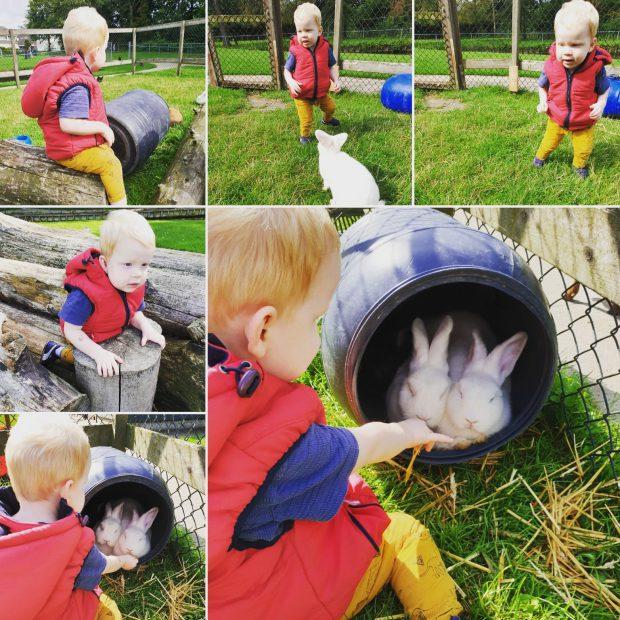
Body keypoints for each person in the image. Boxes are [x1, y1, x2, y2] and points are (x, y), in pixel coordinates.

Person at [208, 207, 462, 619]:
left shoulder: (208, 378)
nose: (319, 333)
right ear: (264, 330)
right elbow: (366, 443)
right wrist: (408, 429)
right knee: (401, 531)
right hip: (296, 599)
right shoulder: (286, 449)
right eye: (316, 320)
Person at [0, 414, 138, 619]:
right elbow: (103, 565)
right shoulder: (77, 541)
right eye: (82, 486)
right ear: (68, 488)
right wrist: (122, 560)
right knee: (103, 606)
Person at [21, 6, 127, 204]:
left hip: (66, 146)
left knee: (106, 152)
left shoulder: (71, 73)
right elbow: (68, 124)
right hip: (69, 152)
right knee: (111, 164)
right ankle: (121, 206)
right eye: (105, 49)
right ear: (95, 54)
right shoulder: (78, 85)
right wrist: (101, 127)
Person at [41, 210, 165, 377]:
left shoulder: (132, 283)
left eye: (144, 265)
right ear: (105, 264)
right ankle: (56, 351)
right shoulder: (85, 295)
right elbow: (71, 331)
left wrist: (145, 327)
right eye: (128, 264)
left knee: (117, 368)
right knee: (89, 365)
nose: (137, 273)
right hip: (85, 336)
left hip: (113, 330)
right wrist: (98, 354)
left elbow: (135, 310)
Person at [533, 0, 612, 179]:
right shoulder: (551, 65)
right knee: (548, 142)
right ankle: (540, 158)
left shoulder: (596, 68)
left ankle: (579, 166)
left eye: (575, 45)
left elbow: (604, 89)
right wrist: (543, 101)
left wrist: (601, 104)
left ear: (591, 44)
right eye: (562, 44)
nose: (567, 51)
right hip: (556, 117)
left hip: (583, 121)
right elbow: (541, 85)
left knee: (583, 149)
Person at [284, 3, 342, 144]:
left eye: (308, 30)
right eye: (299, 31)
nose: (303, 35)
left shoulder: (325, 48)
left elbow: (333, 66)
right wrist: (291, 82)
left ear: (319, 31)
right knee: (306, 119)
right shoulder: (295, 51)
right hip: (302, 95)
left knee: (331, 108)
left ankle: (326, 120)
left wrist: (336, 80)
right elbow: (286, 70)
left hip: (321, 93)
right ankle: (305, 136)